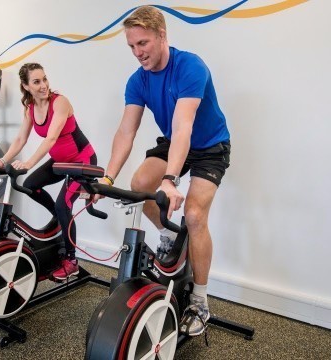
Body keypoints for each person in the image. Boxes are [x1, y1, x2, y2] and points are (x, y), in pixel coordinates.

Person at [95, 6, 231, 337]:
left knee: (195, 216)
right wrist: (106, 178)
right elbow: (126, 131)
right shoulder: (137, 80)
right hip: (173, 141)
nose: (138, 52)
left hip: (210, 147)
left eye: (143, 43)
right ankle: (171, 237)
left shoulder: (190, 66)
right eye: (132, 46)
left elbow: (184, 126)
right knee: (140, 183)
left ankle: (200, 301)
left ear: (161, 35)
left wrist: (170, 180)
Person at [0, 62, 97, 281]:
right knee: (30, 186)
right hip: (59, 161)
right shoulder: (29, 108)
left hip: (82, 161)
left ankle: (72, 261)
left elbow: (52, 137)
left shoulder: (60, 102)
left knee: (62, 204)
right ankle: (60, 217)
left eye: (44, 79)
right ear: (26, 86)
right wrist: (2, 160)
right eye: (36, 81)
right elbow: (20, 138)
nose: (43, 85)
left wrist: (28, 163)